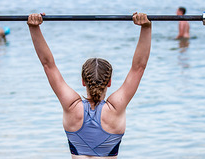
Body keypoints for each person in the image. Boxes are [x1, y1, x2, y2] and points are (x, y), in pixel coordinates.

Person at [28, 12, 151, 157]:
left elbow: (48, 64)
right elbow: (139, 67)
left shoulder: (71, 104)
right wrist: (146, 27)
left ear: (83, 80)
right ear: (109, 82)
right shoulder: (116, 107)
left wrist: (34, 27)